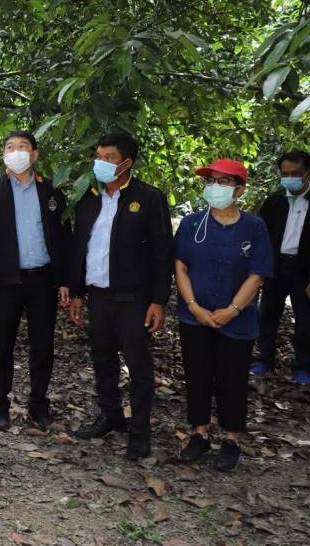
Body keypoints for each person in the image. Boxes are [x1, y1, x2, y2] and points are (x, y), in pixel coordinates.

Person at [69, 132, 173, 461]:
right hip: (97, 295)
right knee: (103, 360)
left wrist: (158, 300)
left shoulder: (149, 198)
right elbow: (80, 246)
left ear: (126, 163)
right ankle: (110, 415)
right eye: (98, 156)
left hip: (133, 299)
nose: (100, 163)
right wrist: (77, 292)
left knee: (138, 366)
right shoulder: (89, 199)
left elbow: (163, 253)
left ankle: (139, 432)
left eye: (109, 157)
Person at [174, 159, 272, 472]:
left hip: (238, 320)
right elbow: (180, 266)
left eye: (223, 182)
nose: (214, 187)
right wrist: (193, 306)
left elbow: (257, 274)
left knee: (233, 378)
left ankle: (230, 440)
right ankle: (200, 434)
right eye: (211, 181)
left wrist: (232, 310)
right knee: (197, 374)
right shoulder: (192, 224)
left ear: (239, 190)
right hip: (194, 316)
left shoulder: (254, 227)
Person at [0, 131, 71, 432]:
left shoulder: (51, 190)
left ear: (34, 155)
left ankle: (39, 404)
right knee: (2, 345)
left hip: (43, 279)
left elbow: (64, 237)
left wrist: (64, 280)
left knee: (42, 345)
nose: (16, 152)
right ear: (3, 154)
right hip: (7, 282)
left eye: (22, 147)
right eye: (10, 147)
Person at [252, 150, 310, 385]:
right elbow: (260, 236)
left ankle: (303, 366)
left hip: (303, 271)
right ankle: (265, 359)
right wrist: (259, 270)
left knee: (305, 320)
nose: (289, 178)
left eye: (295, 173)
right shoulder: (274, 201)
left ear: (307, 174)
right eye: (285, 174)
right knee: (267, 315)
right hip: (275, 267)